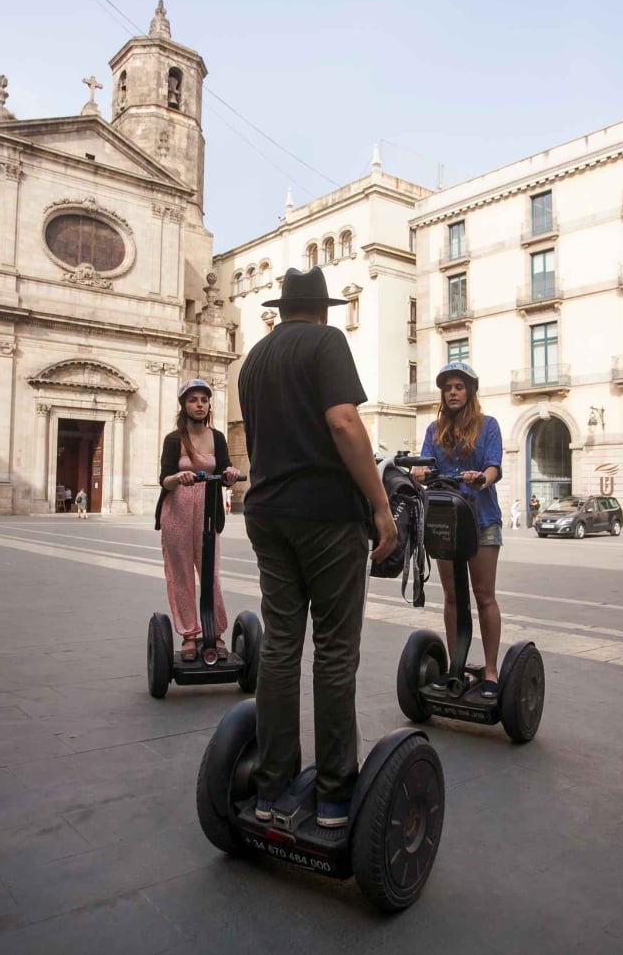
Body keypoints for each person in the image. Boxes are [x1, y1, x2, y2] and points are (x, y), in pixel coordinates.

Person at [238, 266, 396, 830]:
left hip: (267, 513)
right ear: (323, 309)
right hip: (325, 515)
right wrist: (380, 505)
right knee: (334, 649)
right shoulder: (327, 341)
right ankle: (333, 794)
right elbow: (345, 421)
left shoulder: (254, 359)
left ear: (281, 310)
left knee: (281, 647)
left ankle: (272, 786)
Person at [411, 361, 506, 699]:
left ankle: (491, 671)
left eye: (458, 387)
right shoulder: (434, 430)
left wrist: (482, 478)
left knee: (483, 595)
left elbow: (494, 466)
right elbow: (423, 465)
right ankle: (456, 668)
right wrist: (418, 474)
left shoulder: (488, 425)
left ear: (470, 392)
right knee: (452, 597)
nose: (452, 393)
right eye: (447, 388)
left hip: (481, 519)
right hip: (445, 520)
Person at [156, 379, 239, 661]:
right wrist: (178, 478)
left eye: (204, 399)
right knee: (180, 576)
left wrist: (229, 473)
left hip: (207, 513)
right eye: (193, 400)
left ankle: (214, 633)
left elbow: (226, 466)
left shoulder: (216, 438)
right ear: (184, 405)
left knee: (210, 574)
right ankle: (189, 634)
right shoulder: (173, 440)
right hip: (177, 513)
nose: (200, 405)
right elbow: (163, 480)